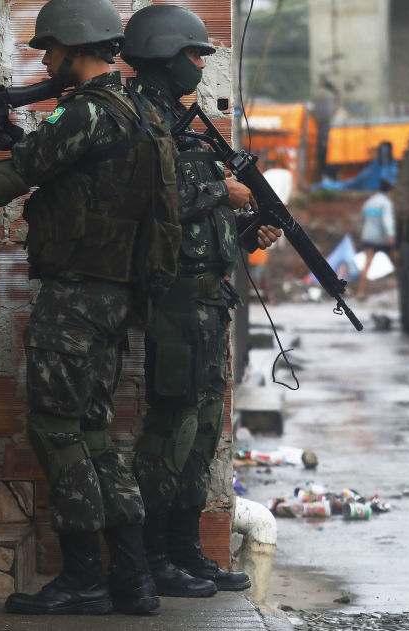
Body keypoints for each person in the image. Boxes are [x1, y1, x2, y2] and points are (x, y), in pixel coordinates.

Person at [0, 0, 179, 616]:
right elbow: (80, 176)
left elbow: (3, 186)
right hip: (116, 296)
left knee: (58, 431)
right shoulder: (137, 107)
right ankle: (134, 582)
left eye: (50, 49)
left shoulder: (86, 111)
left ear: (75, 45)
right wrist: (14, 142)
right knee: (93, 433)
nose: (44, 59)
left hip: (77, 297)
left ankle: (85, 579)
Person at [120, 4, 281, 598]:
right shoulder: (139, 119)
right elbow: (141, 199)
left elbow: (195, 229)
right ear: (163, 56)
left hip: (208, 297)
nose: (199, 66)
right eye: (192, 55)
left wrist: (245, 235)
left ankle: (185, 549)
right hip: (176, 302)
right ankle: (151, 554)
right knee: (172, 429)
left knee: (204, 429)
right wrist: (223, 190)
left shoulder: (175, 120)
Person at [355, 179, 396, 300]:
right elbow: (387, 220)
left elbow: (363, 217)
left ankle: (360, 292)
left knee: (367, 264)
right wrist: (390, 235)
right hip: (382, 238)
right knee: (397, 262)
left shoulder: (369, 202)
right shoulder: (386, 203)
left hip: (368, 237)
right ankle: (401, 288)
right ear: (389, 191)